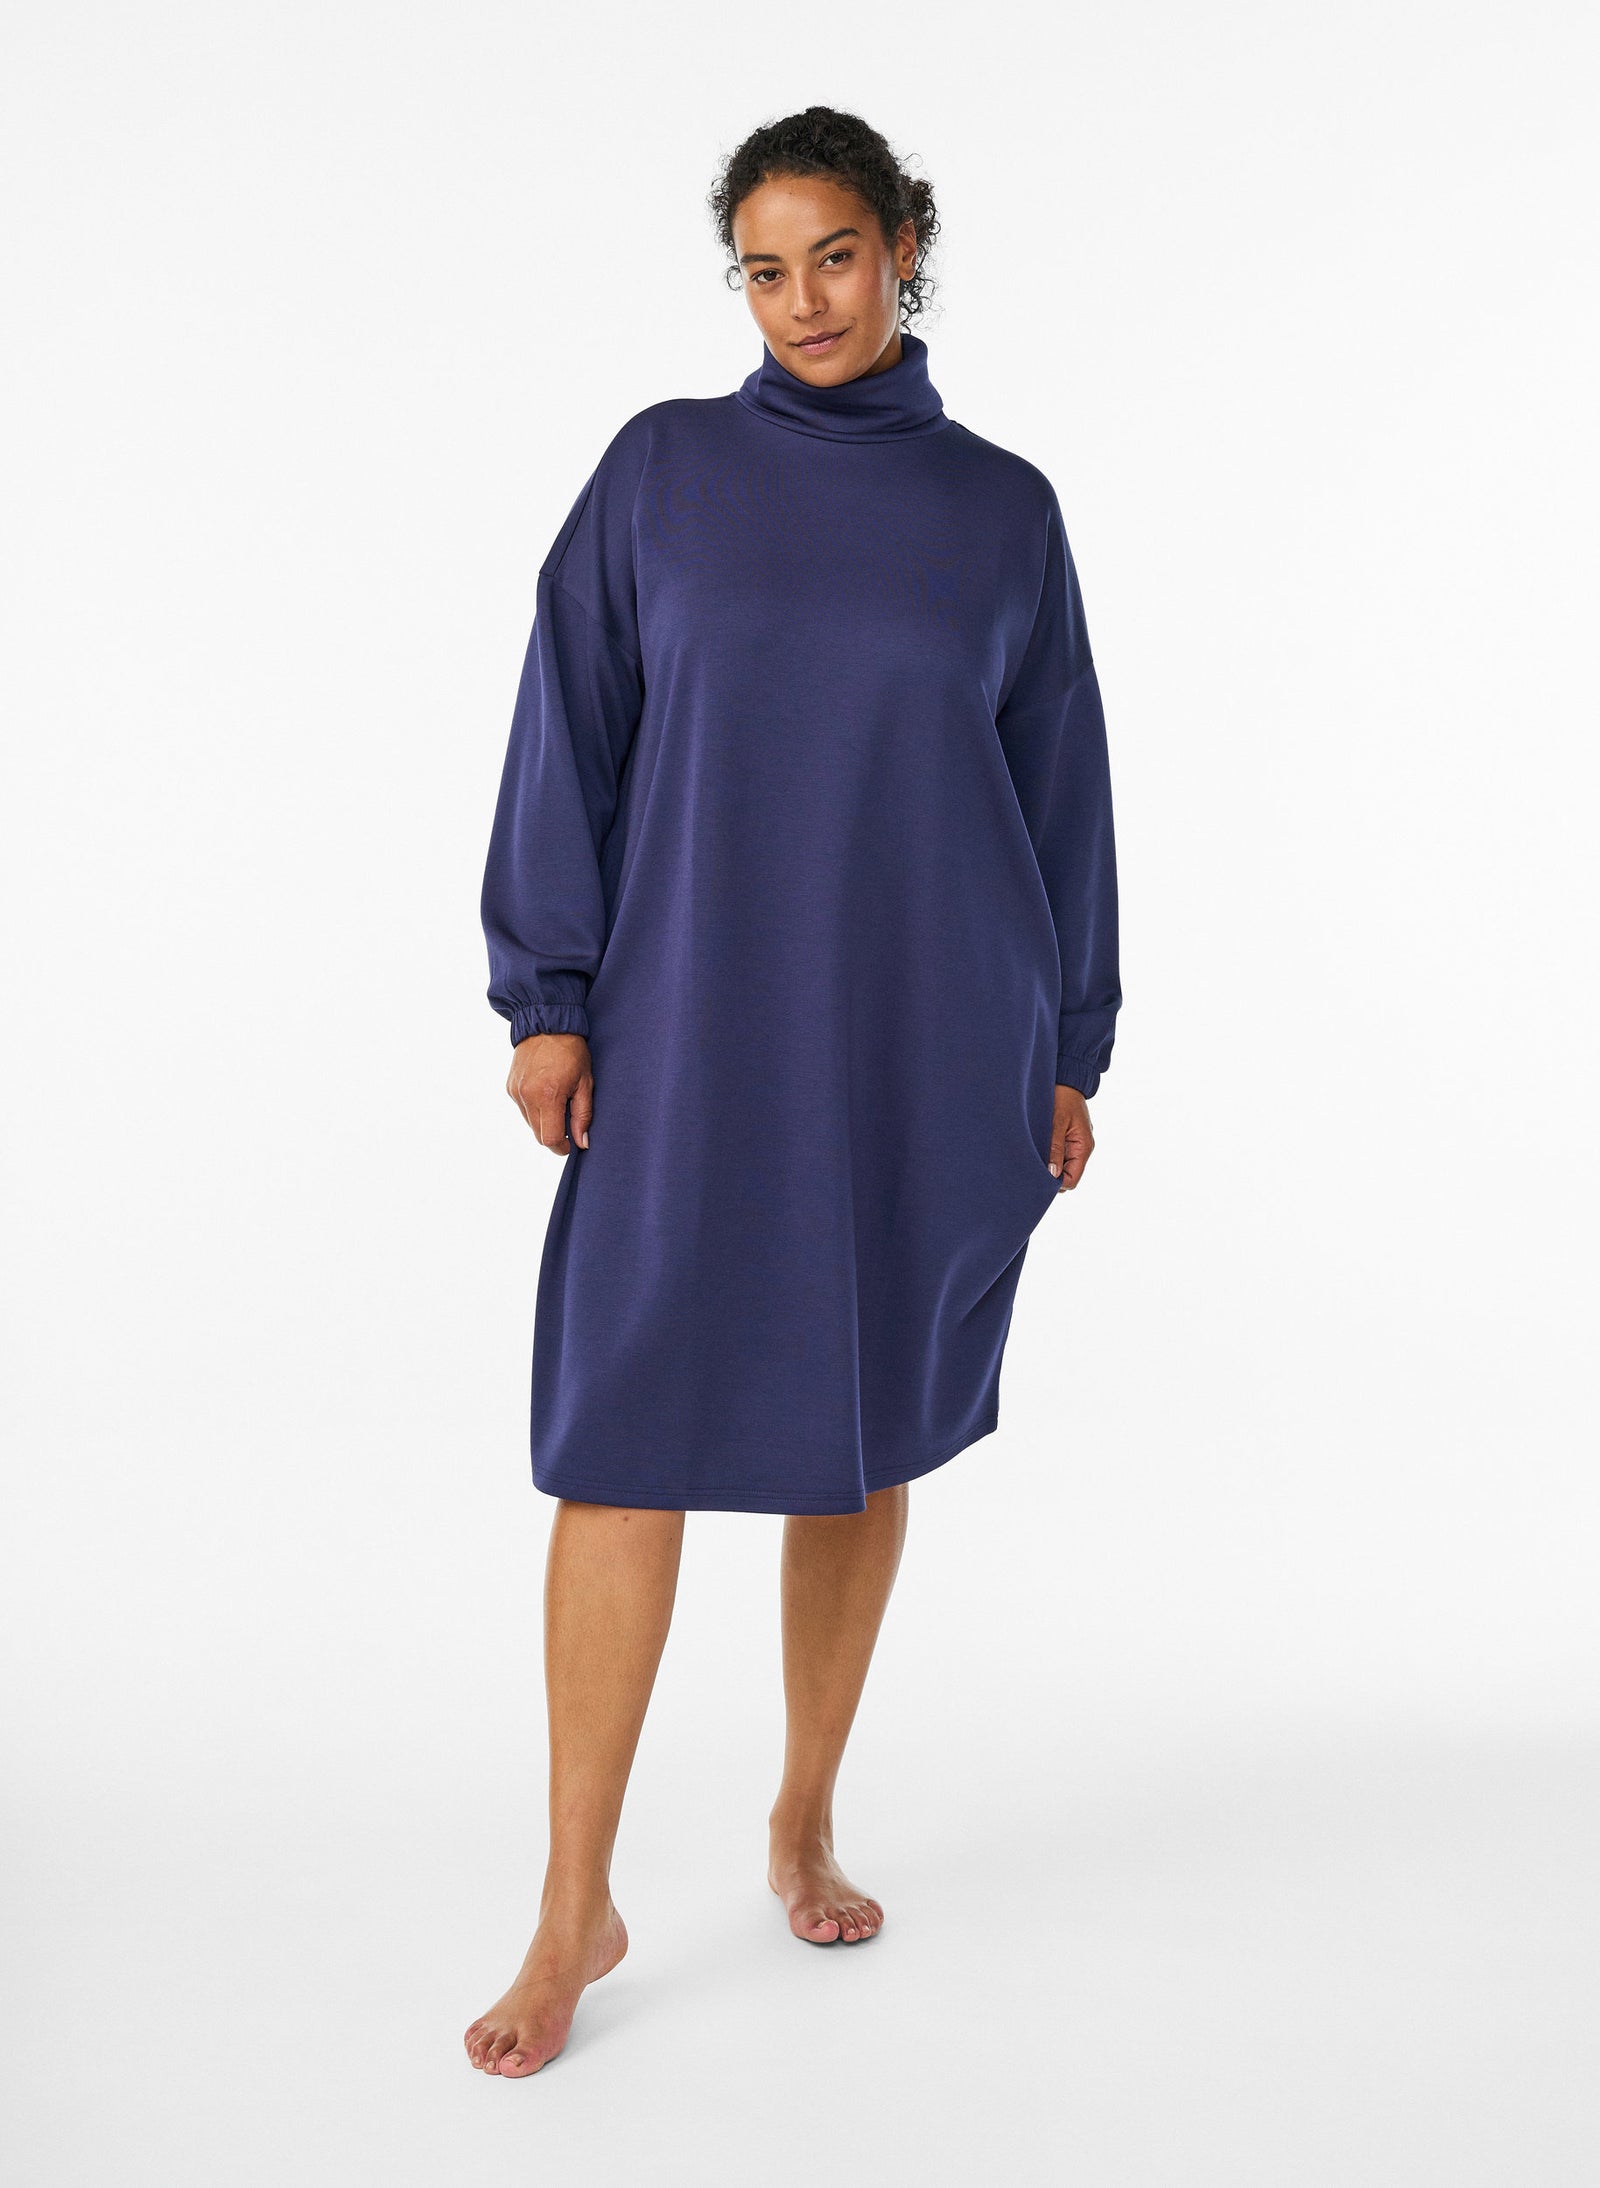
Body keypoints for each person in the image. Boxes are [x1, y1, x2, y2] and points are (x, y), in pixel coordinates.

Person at [466, 105, 1121, 2078]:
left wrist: (1070, 1039)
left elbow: (1061, 791)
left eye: (834, 254)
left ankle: (802, 1815)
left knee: (856, 1429)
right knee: (620, 1435)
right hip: (683, 1023)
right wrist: (547, 997)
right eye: (763, 267)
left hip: (924, 1031)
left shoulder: (1001, 512)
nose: (802, 300)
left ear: (904, 246)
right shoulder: (661, 474)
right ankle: (572, 1899)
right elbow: (567, 726)